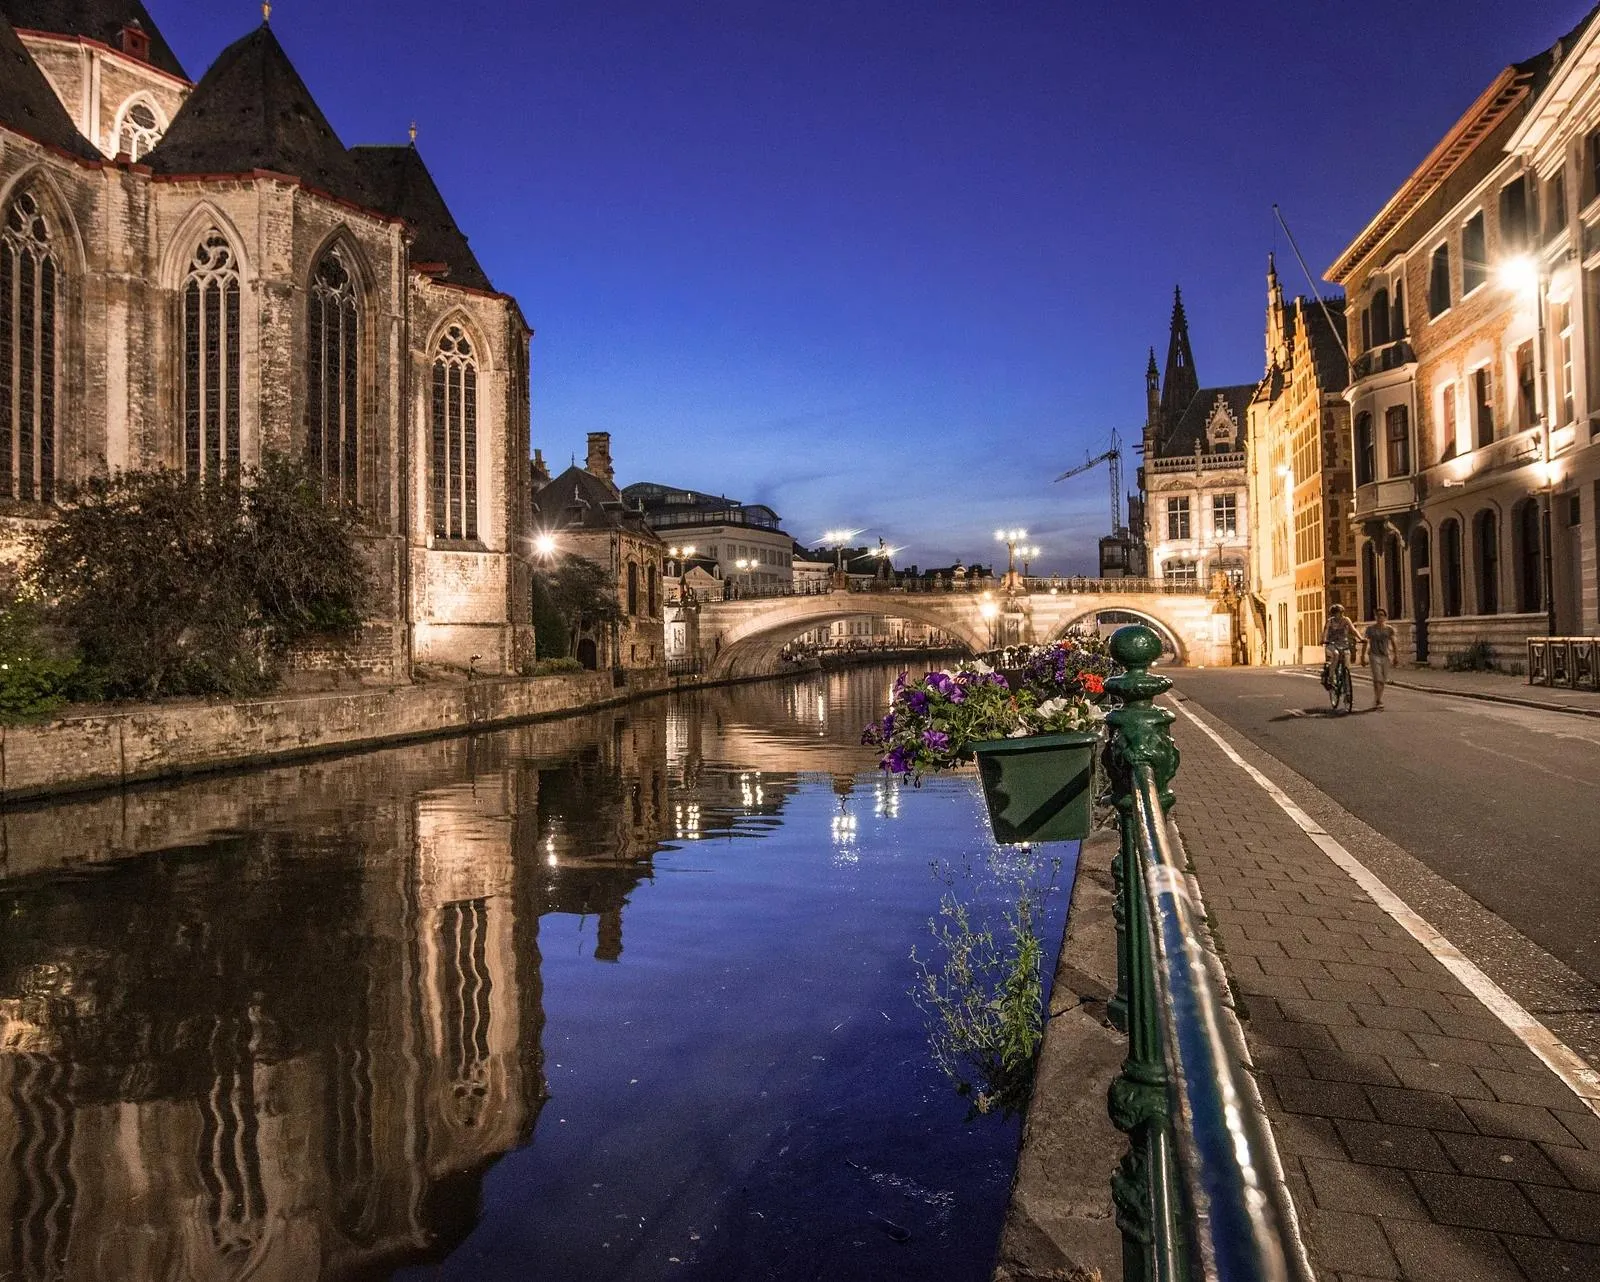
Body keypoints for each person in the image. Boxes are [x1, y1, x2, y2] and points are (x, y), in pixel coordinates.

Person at [1361, 607, 1398, 710]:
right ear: (1375, 617)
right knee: (1378, 678)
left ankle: (1378, 698)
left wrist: (1395, 656)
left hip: (1385, 655)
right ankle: (1379, 700)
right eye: (1378, 615)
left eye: (1382, 615)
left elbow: (1393, 643)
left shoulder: (1389, 629)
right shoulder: (1370, 629)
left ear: (1385, 617)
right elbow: (1366, 642)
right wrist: (1362, 657)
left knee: (1382, 680)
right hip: (1374, 655)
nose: (1380, 617)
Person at [1322, 604, 1358, 707]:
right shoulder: (1330, 621)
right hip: (1332, 645)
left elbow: (1353, 630)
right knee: (1336, 655)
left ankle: (1347, 695)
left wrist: (1361, 638)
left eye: (1341, 613)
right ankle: (1331, 677)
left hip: (1344, 645)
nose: (1340, 615)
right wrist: (1324, 640)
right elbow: (1325, 631)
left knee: (1346, 669)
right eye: (1337, 613)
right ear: (1333, 614)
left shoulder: (1346, 620)